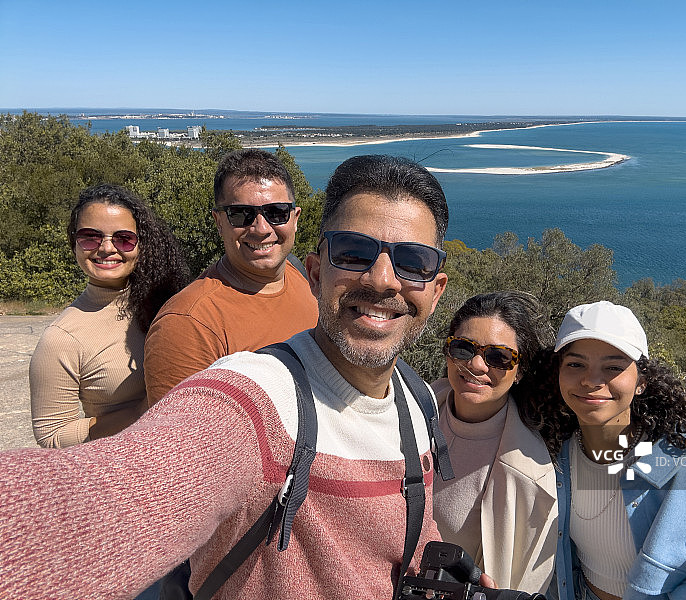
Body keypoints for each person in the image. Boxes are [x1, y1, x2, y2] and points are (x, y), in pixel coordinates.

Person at [0, 154, 451, 600]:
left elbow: (405, 528)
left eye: (414, 261)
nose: (382, 280)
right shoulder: (248, 397)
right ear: (318, 273)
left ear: (436, 291)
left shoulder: (418, 399)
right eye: (353, 253)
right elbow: (145, 482)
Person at [519, 301, 686, 600]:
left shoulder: (684, 479)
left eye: (613, 367)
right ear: (558, 373)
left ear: (641, 382)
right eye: (575, 364)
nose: (591, 380)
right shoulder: (555, 453)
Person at [143, 148, 319, 404]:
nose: (261, 229)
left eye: (276, 212)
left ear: (295, 218)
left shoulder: (299, 274)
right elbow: (183, 429)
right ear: (219, 221)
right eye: (241, 214)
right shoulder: (189, 325)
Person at [29, 184, 189, 448]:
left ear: (142, 245)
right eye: (90, 237)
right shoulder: (61, 339)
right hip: (129, 462)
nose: (106, 248)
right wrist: (142, 411)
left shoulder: (169, 300)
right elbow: (52, 435)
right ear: (74, 243)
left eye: (123, 238)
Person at [431, 291, 558, 594]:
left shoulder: (529, 478)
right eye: (463, 348)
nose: (476, 364)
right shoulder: (412, 409)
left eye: (499, 357)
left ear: (520, 371)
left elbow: (521, 587)